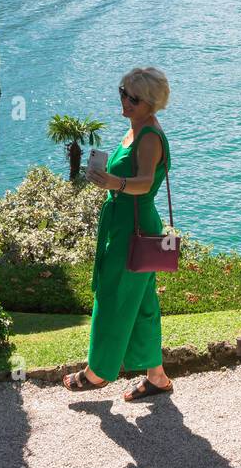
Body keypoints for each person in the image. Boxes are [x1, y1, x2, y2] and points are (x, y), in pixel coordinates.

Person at [63, 66, 174, 400]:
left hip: (134, 228)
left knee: (111, 296)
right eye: (122, 92)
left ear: (150, 103)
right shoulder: (136, 128)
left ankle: (97, 372)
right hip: (128, 223)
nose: (125, 101)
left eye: (133, 98)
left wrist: (115, 183)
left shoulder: (150, 136)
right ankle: (157, 376)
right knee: (141, 303)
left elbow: (143, 181)